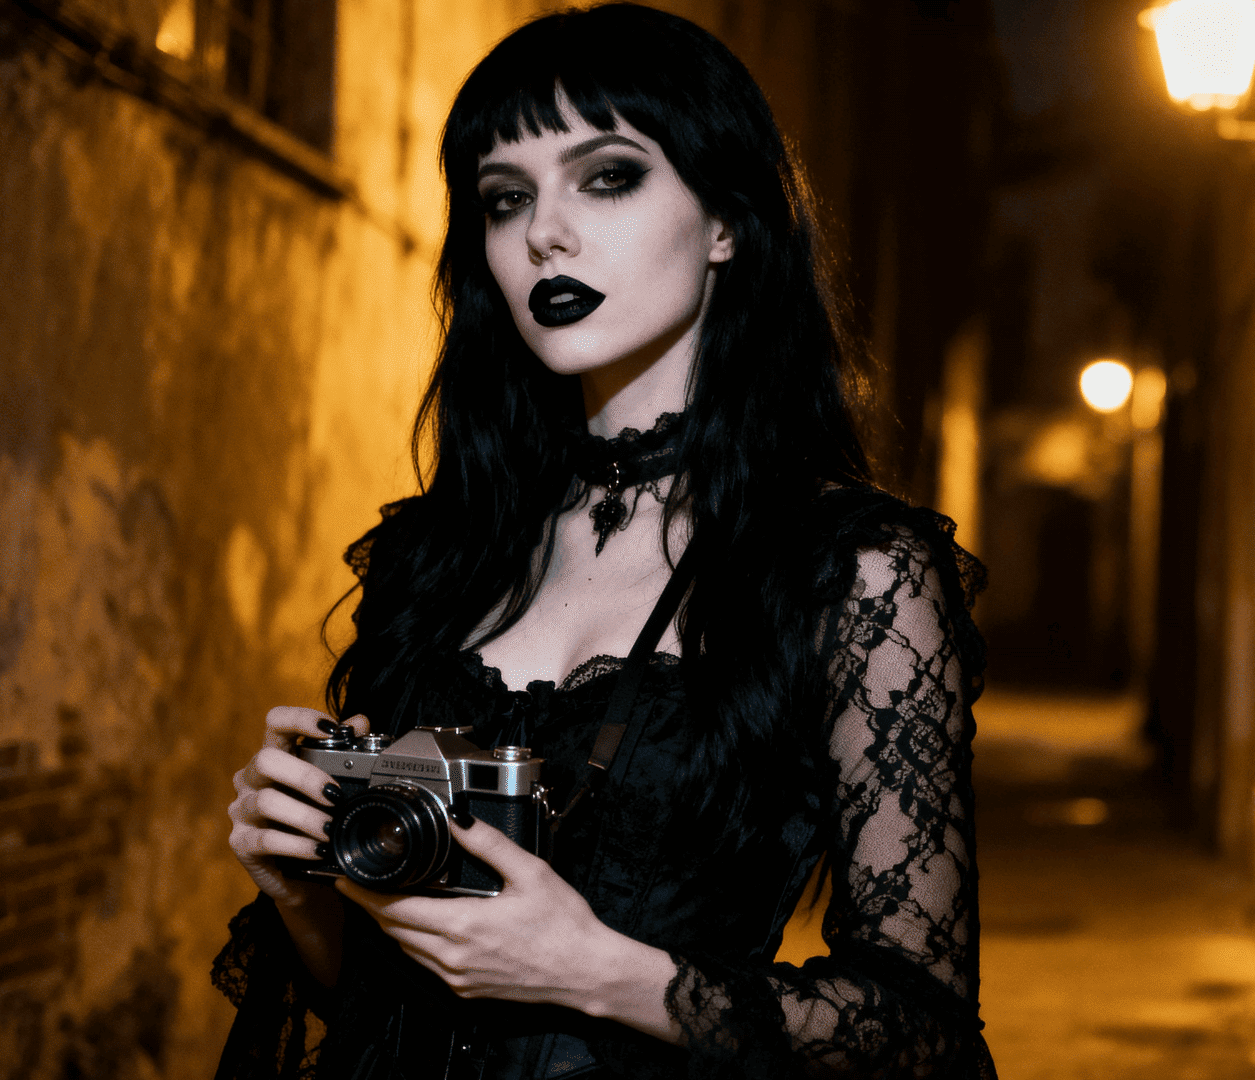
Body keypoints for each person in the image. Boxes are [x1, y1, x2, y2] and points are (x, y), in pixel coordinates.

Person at [211, 5, 991, 1077]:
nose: (546, 233)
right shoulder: (435, 555)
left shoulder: (851, 573)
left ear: (727, 222)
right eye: (506, 198)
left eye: (608, 176)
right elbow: (368, 994)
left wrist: (593, 968)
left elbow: (920, 1034)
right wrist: (302, 882)